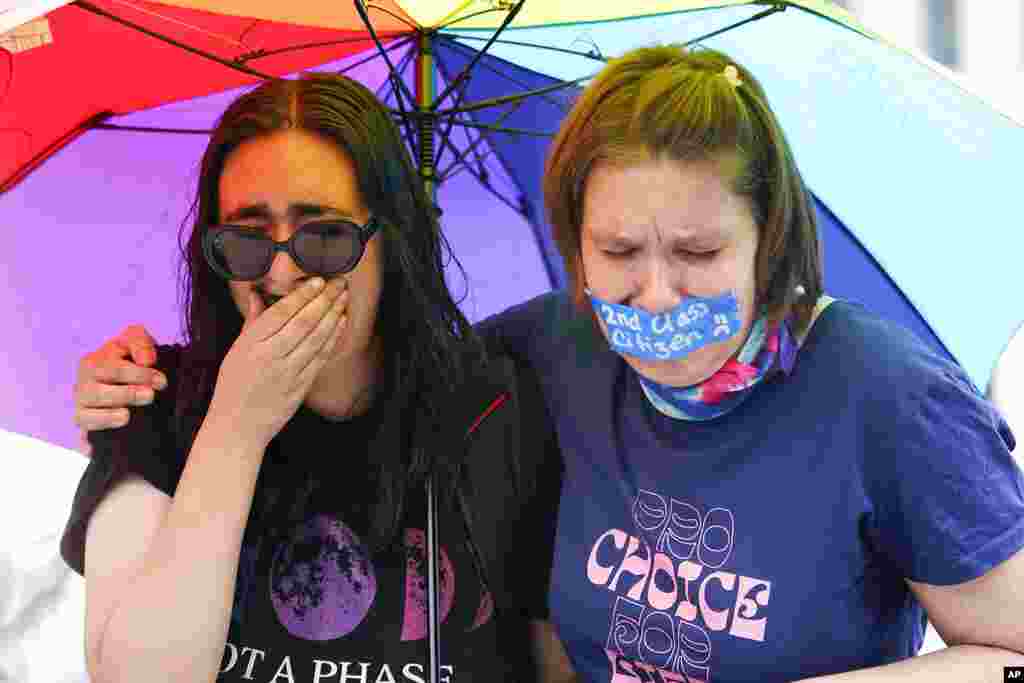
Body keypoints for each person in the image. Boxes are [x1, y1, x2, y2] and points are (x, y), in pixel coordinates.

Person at [71, 46, 1024, 682]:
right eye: (618, 253)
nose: (655, 294)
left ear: (768, 237)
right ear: (573, 250)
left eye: (696, 253)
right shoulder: (549, 354)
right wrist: (213, 413)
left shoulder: (884, 392)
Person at [59, 73, 563, 683]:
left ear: (391, 239)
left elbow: (553, 664)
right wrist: (235, 430)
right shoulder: (151, 396)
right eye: (247, 239)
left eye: (323, 236)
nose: (280, 272)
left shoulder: (498, 410)